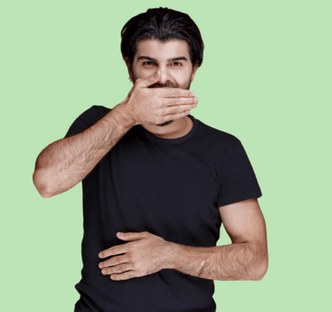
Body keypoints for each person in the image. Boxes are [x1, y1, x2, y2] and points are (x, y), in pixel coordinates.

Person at [33, 7, 268, 312]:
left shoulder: (223, 150)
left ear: (194, 69)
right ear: (129, 68)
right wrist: (128, 114)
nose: (162, 77)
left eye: (176, 63)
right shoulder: (98, 125)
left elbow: (255, 262)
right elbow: (47, 182)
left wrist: (168, 255)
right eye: (148, 63)